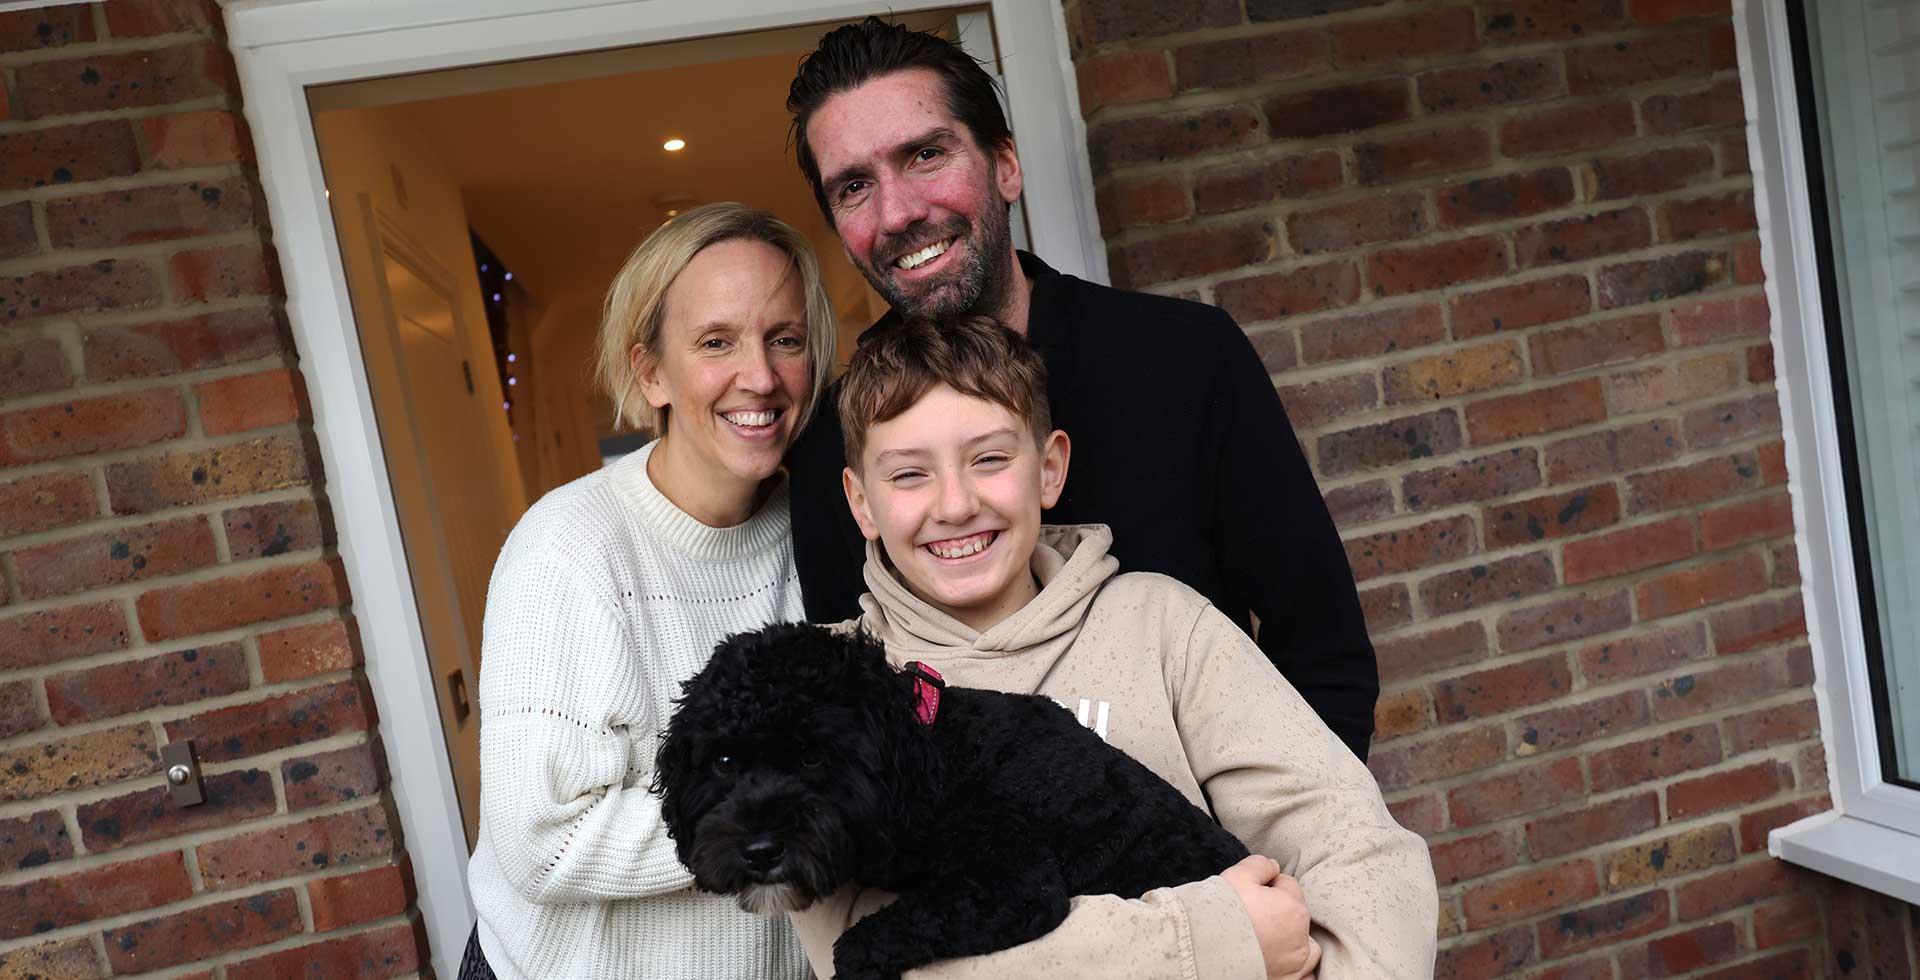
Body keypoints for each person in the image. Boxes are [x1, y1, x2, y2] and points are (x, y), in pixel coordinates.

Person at [783, 17, 1382, 761]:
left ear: (1005, 164)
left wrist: (1285, 854)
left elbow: (1322, 650)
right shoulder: (834, 448)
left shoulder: (1187, 359)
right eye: (854, 187)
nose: (898, 212)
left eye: (926, 155)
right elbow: (857, 737)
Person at [790, 316, 1436, 980]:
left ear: (1048, 469)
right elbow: (876, 959)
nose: (954, 505)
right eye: (909, 476)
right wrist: (1213, 939)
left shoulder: (1160, 625)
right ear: (860, 502)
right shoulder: (826, 695)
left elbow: (1357, 850)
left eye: (989, 459)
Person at [459, 203, 834, 979]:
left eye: (786, 340)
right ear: (651, 372)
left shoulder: (832, 527)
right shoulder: (566, 549)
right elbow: (543, 841)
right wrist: (797, 813)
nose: (759, 378)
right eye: (716, 342)